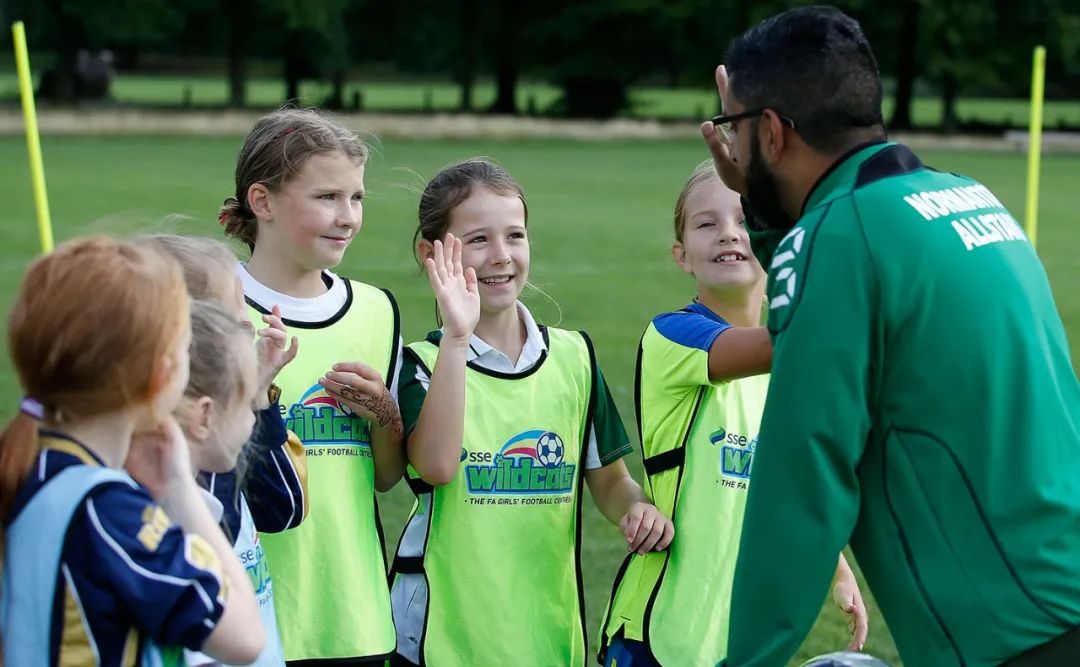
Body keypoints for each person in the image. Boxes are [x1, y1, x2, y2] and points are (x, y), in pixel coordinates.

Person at [699, 6, 1080, 666]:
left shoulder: (842, 238)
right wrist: (762, 204)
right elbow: (835, 278)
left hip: (1018, 630)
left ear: (771, 130)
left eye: (735, 127)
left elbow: (804, 480)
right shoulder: (963, 195)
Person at [390, 158, 674, 666]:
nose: (501, 256)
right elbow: (435, 467)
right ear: (430, 254)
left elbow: (609, 482)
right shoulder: (421, 365)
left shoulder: (575, 358)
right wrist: (457, 337)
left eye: (515, 236)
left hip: (548, 634)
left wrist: (635, 508)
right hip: (442, 639)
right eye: (478, 240)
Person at [598, 163, 866, 667]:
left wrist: (838, 568)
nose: (729, 233)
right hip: (659, 636)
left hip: (736, 640)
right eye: (706, 224)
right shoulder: (673, 337)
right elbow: (782, 346)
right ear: (682, 257)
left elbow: (788, 481)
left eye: (746, 220)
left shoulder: (783, 371)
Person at [0, 237, 263, 665]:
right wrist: (179, 490)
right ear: (160, 375)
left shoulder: (32, 463)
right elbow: (246, 638)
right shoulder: (107, 511)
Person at [219, 108, 405, 664]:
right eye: (326, 197)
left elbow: (388, 476)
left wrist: (385, 413)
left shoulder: (375, 310)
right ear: (263, 201)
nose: (347, 216)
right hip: (244, 619)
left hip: (355, 619)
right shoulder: (213, 305)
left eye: (357, 198)